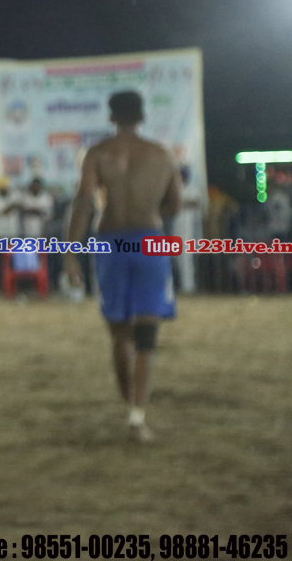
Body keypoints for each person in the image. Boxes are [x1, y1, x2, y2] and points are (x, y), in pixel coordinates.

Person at [65, 90, 180, 442]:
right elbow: (174, 204)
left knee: (119, 333)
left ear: (112, 116)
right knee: (147, 333)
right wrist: (149, 212)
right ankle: (136, 416)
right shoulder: (160, 154)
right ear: (142, 116)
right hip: (148, 241)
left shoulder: (98, 153)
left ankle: (130, 407)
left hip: (111, 241)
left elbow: (84, 202)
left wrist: (70, 252)